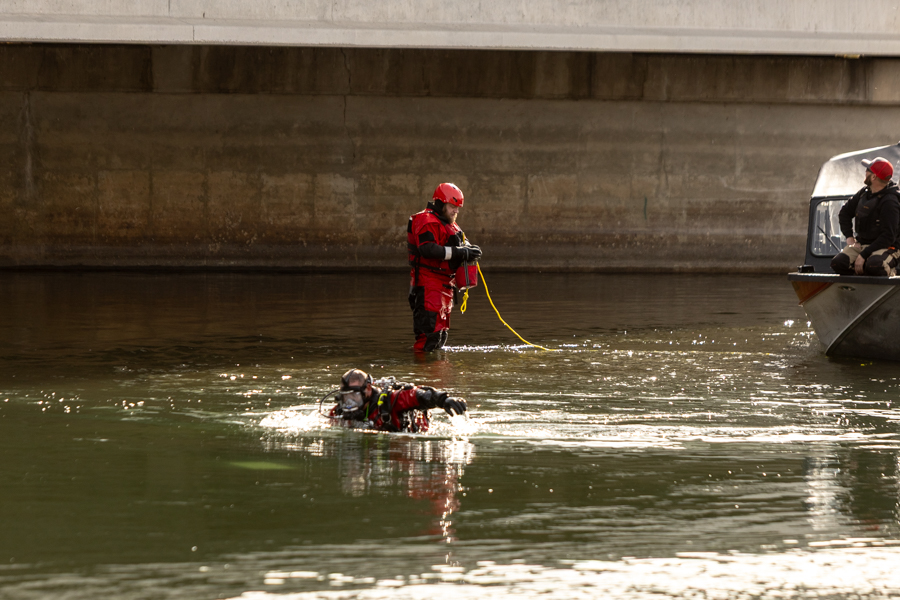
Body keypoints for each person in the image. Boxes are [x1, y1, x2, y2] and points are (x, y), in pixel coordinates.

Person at [407, 183, 482, 351]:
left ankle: (438, 374)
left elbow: (461, 241)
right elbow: (427, 249)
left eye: (458, 208)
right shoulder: (425, 220)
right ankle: (423, 374)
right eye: (452, 207)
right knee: (428, 337)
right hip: (428, 285)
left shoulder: (449, 223)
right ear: (440, 204)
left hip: (444, 287)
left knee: (440, 337)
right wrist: (459, 252)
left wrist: (469, 250)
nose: (456, 211)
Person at [327, 368, 467, 432]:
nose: (349, 403)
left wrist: (443, 400)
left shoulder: (390, 401)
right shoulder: (341, 410)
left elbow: (416, 395)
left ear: (368, 389)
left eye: (354, 397)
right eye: (345, 397)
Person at [831, 157, 900, 276]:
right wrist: (849, 237)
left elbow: (888, 237)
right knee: (838, 263)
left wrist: (863, 255)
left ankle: (890, 274)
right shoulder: (864, 193)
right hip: (862, 244)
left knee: (874, 265)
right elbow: (845, 213)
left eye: (868, 170)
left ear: (873, 177)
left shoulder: (890, 202)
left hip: (887, 246)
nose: (865, 171)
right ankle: (859, 284)